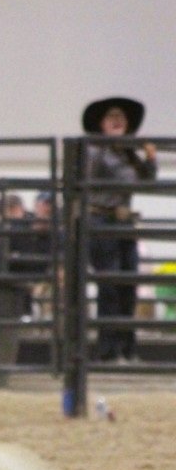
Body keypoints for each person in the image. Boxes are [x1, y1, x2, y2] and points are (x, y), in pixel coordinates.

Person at [82, 96, 157, 362]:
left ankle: (127, 348)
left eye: (121, 118)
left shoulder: (127, 152)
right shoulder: (94, 149)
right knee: (110, 284)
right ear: (101, 124)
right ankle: (108, 350)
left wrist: (149, 158)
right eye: (111, 117)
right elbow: (86, 180)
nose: (117, 121)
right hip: (101, 219)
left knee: (128, 284)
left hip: (123, 221)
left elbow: (147, 180)